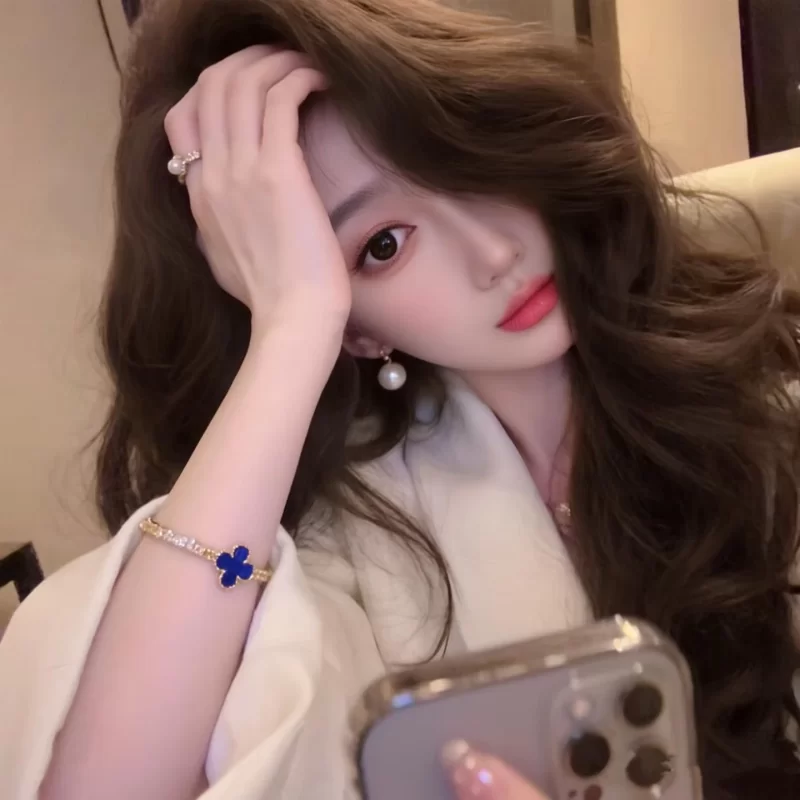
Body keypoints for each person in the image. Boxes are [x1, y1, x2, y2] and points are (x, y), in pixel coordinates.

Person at [1, 0, 799, 798]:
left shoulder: (758, 385)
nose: (494, 253)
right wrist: (291, 327)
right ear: (354, 328)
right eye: (382, 244)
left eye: (466, 167)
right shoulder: (353, 542)